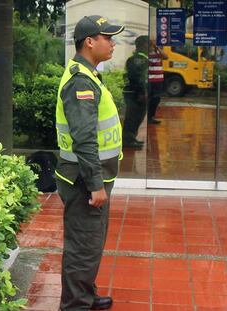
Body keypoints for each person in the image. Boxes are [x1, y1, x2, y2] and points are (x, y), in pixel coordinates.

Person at [55, 15, 124, 311]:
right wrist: (96, 185)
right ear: (89, 42)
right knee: (83, 247)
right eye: (108, 38)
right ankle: (75, 305)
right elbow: (84, 140)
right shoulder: (80, 82)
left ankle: (84, 293)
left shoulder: (89, 74)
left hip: (88, 178)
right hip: (84, 181)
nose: (113, 43)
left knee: (90, 244)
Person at [122, 35, 149, 149]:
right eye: (149, 44)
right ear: (143, 45)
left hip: (136, 93)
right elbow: (136, 78)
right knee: (132, 118)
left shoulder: (141, 59)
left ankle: (131, 138)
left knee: (138, 117)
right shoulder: (138, 60)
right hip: (134, 94)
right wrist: (141, 93)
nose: (150, 47)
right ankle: (127, 141)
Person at [147, 39, 168, 124]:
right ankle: (147, 117)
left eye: (154, 44)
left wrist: (157, 48)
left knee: (156, 99)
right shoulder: (146, 54)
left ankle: (151, 116)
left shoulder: (158, 53)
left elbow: (166, 56)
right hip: (149, 80)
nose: (153, 46)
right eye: (151, 44)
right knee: (149, 99)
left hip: (158, 80)